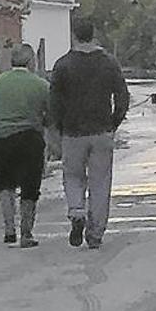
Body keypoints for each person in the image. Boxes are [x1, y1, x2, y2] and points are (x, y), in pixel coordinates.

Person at [50, 19, 130, 249]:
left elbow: (54, 101)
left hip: (72, 133)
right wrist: (113, 123)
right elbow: (123, 97)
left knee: (73, 176)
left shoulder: (62, 65)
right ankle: (95, 233)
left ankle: (76, 211)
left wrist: (57, 128)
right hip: (101, 130)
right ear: (93, 35)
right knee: (100, 182)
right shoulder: (109, 63)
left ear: (74, 36)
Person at [0, 43, 49, 248]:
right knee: (30, 186)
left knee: (6, 184)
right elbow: (51, 114)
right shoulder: (41, 84)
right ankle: (26, 232)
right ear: (30, 62)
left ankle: (9, 229)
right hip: (31, 139)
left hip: (4, 139)